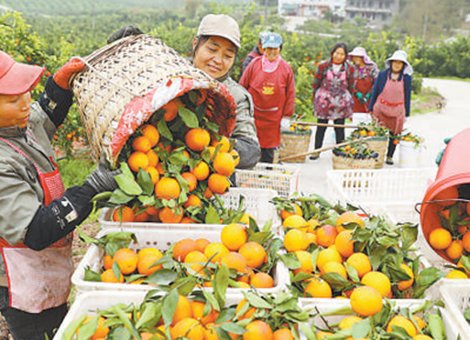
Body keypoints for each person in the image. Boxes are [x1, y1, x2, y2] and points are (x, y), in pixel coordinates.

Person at [0, 51, 119, 339]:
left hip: (47, 268)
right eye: (14, 99)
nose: (26, 103)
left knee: (58, 324)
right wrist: (91, 189)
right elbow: (37, 231)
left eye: (26, 92)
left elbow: (46, 111)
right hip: (23, 281)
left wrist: (61, 83)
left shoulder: (20, 124)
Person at [192, 14, 261, 168]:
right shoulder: (172, 79)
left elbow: (251, 150)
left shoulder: (236, 96)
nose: (217, 60)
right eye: (212, 49)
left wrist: (209, 145)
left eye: (227, 55)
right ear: (195, 44)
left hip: (214, 184)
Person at [239, 32, 296, 163]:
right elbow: (242, 86)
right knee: (250, 148)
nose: (272, 51)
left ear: (280, 49)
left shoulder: (286, 68)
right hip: (253, 115)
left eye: (275, 48)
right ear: (264, 49)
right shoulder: (254, 64)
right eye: (269, 48)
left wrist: (286, 116)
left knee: (268, 154)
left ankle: (266, 177)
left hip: (273, 118)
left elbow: (290, 94)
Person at [311, 42, 356, 160]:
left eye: (342, 54)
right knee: (321, 126)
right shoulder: (323, 66)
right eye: (337, 53)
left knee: (339, 127)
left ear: (345, 56)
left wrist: (347, 100)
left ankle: (340, 152)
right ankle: (316, 150)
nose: (339, 56)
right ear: (332, 53)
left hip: (341, 101)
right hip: (324, 100)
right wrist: (315, 98)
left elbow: (351, 86)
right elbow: (316, 83)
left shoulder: (350, 68)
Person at [369, 50, 413, 165]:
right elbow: (376, 90)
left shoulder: (406, 78)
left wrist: (406, 113)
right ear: (391, 63)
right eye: (395, 62)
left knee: (394, 134)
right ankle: (377, 154)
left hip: (397, 111)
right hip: (381, 108)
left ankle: (389, 156)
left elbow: (407, 96)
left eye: (400, 63)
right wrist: (371, 107)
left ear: (403, 65)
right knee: (379, 132)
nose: (397, 65)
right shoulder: (383, 75)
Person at [349, 47, 378, 113]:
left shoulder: (372, 68)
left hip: (370, 99)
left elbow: (376, 83)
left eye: (358, 57)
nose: (355, 59)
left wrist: (369, 94)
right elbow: (350, 83)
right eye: (354, 57)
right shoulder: (352, 69)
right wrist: (357, 93)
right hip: (356, 100)